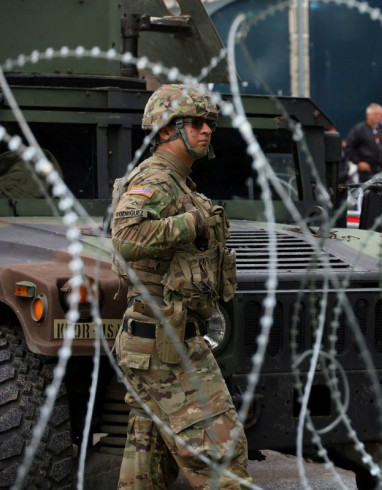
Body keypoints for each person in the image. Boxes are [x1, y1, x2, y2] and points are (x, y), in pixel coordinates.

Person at [111, 84, 251, 489]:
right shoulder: (158, 178)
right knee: (221, 455)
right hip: (165, 346)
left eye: (209, 123)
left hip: (157, 342)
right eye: (196, 122)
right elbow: (126, 235)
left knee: (148, 465)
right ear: (167, 129)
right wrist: (192, 223)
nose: (207, 130)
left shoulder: (179, 182)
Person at [344, 103, 382, 183]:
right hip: (366, 173)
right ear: (368, 114)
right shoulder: (359, 130)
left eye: (381, 115)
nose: (378, 117)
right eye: (376, 114)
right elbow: (349, 147)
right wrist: (358, 162)